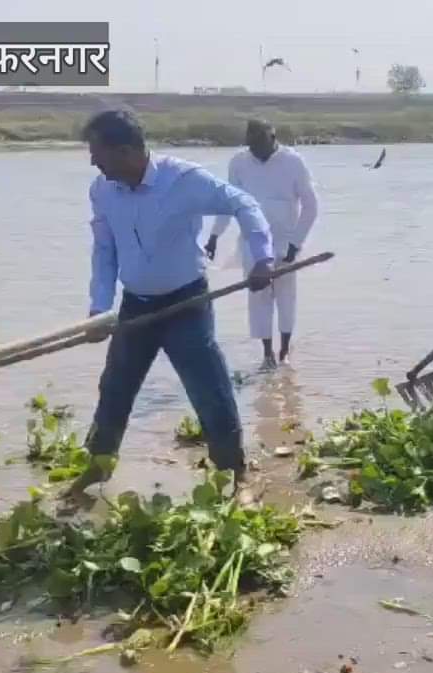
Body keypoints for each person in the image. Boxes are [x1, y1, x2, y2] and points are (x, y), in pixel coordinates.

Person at [70, 109, 276, 502]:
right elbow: (105, 250)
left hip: (187, 302)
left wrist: (263, 258)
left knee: (209, 388)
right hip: (136, 307)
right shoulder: (102, 191)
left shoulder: (183, 180)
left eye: (98, 152)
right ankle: (96, 470)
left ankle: (234, 473)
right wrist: (99, 308)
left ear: (127, 150)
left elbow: (244, 205)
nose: (93, 161)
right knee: (114, 387)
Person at [205, 119, 319, 369]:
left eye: (260, 144)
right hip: (252, 243)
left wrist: (296, 243)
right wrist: (214, 235)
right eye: (251, 145)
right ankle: (267, 354)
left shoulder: (293, 162)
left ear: (273, 137)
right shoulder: (239, 162)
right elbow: (229, 203)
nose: (255, 150)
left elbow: (311, 206)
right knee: (259, 298)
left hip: (286, 243)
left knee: (286, 297)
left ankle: (285, 351)